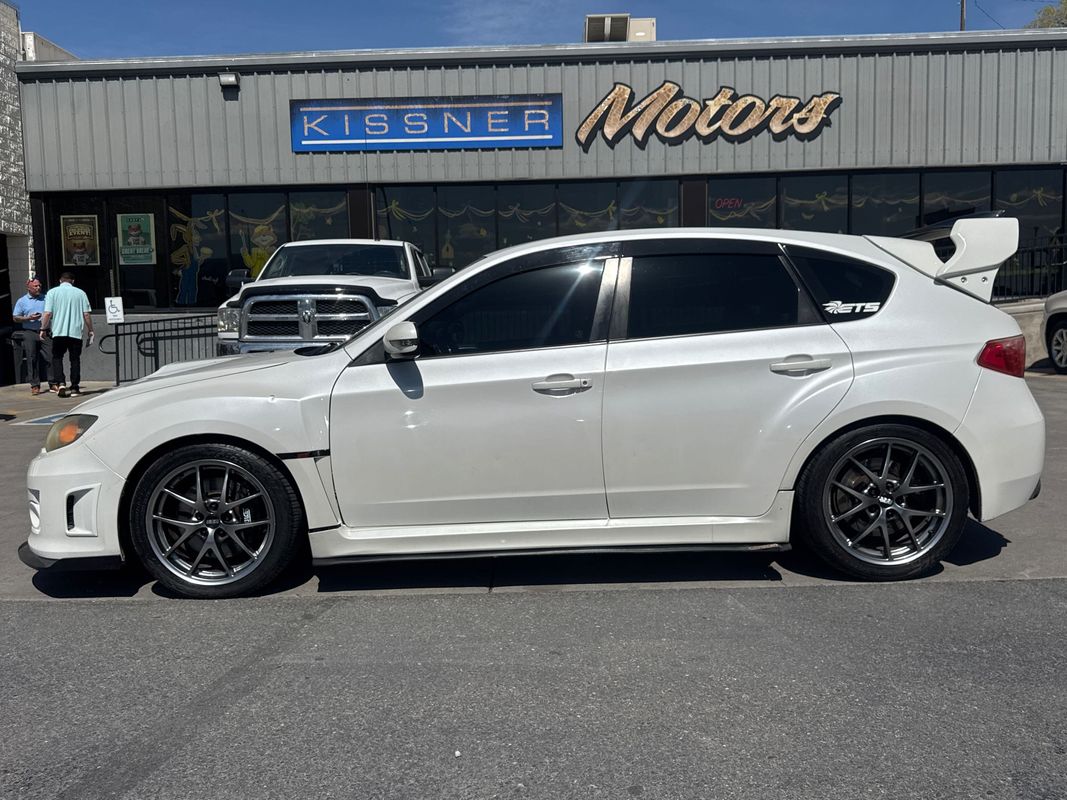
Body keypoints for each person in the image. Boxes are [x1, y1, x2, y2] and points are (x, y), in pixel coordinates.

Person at [40, 272, 94, 398]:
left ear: (60, 280)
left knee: (57, 358)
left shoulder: (52, 293)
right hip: (75, 333)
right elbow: (86, 314)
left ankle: (61, 383)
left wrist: (43, 328)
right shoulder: (81, 293)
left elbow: (47, 313)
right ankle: (75, 387)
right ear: (73, 281)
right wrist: (90, 329)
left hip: (58, 332)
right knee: (75, 360)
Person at [11, 277, 53, 395]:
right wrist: (29, 318)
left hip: (45, 331)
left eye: (39, 285)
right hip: (29, 331)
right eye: (35, 286)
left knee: (50, 356)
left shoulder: (45, 298)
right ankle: (35, 385)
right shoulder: (22, 301)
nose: (38, 288)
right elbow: (15, 317)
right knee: (32, 357)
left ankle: (53, 382)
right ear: (28, 287)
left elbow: (52, 312)